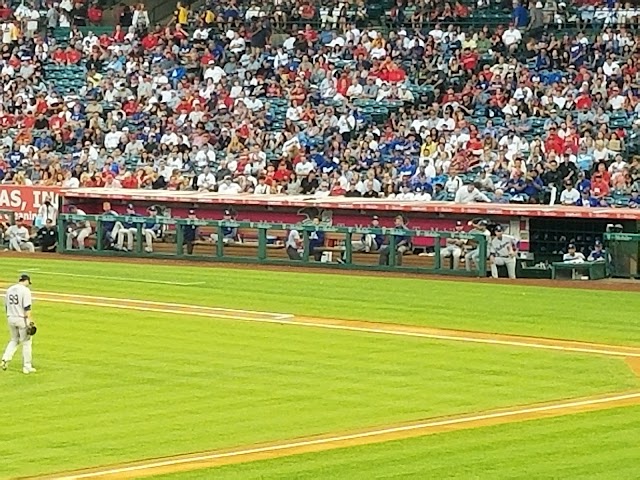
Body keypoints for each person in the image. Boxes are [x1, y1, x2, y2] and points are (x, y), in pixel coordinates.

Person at [1, 274, 36, 374]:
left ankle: (5, 359)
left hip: (10, 317)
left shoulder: (10, 289)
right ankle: (27, 366)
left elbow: (6, 305)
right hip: (21, 319)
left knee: (14, 340)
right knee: (26, 342)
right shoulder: (25, 291)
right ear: (26, 281)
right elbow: (27, 308)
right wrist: (30, 321)